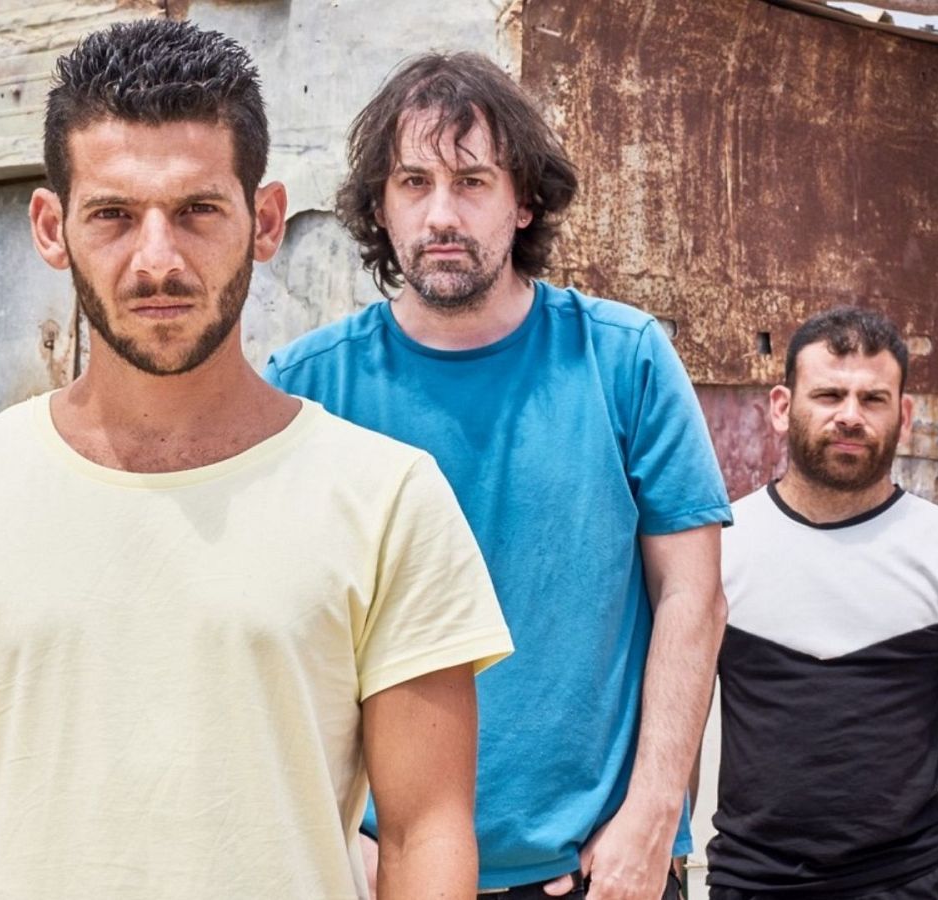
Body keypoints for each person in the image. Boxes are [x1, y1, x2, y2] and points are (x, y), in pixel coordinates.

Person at [0, 20, 512, 900]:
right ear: (52, 227)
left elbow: (424, 837)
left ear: (266, 221)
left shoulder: (388, 500)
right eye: (113, 215)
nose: (157, 260)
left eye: (197, 211)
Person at [267, 52, 730, 900]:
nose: (442, 214)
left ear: (523, 203)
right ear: (380, 205)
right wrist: (331, 838)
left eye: (472, 182)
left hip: (597, 870)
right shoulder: (306, 388)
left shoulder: (623, 360)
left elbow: (692, 597)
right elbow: (270, 632)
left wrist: (654, 815)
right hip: (379, 871)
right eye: (413, 183)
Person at [707, 307, 938, 900]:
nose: (850, 416)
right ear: (782, 407)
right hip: (751, 882)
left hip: (908, 881)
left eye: (873, 399)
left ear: (903, 416)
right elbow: (674, 729)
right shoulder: (719, 547)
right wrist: (662, 868)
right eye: (829, 395)